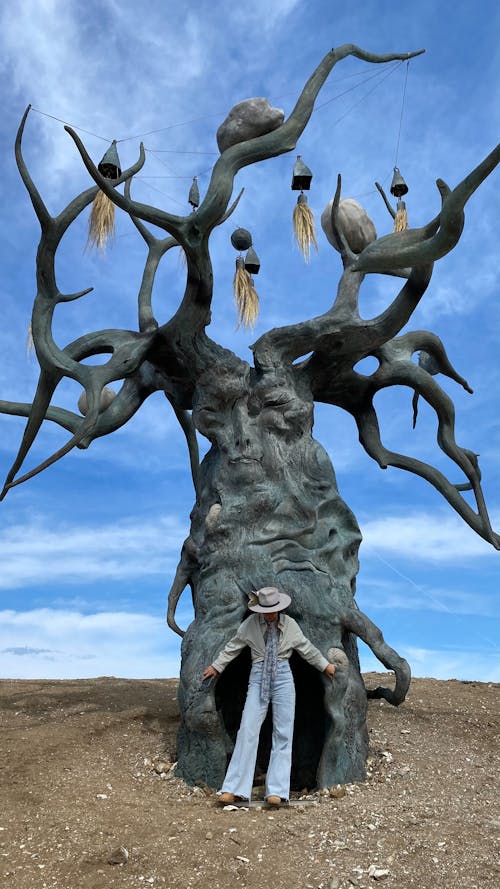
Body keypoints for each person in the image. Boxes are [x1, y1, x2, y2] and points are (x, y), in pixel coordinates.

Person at [201, 586, 336, 807]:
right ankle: (234, 789)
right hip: (258, 674)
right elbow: (233, 646)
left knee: (283, 731)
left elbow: (306, 648)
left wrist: (325, 665)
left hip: (283, 676)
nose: (269, 614)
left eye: (273, 610)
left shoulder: (290, 625)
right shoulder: (251, 625)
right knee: (248, 728)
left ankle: (277, 791)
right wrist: (216, 666)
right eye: (265, 610)